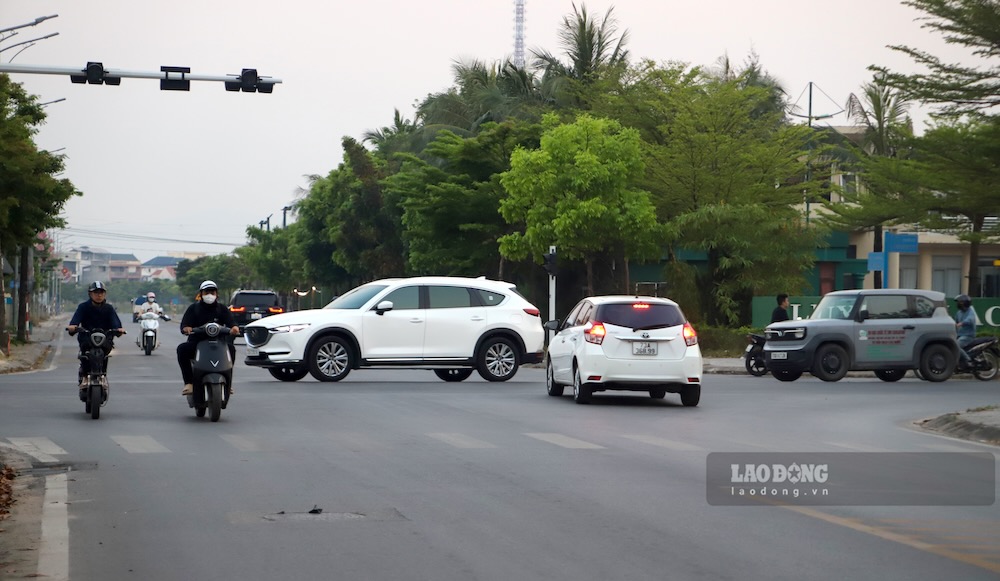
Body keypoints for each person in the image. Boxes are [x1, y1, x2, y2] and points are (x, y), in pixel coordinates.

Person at [177, 280, 239, 396]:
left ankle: (228, 384)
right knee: (182, 349)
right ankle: (189, 383)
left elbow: (232, 323)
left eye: (212, 292)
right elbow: (184, 325)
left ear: (216, 294)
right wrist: (187, 328)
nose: (209, 295)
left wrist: (234, 328)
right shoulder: (193, 308)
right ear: (201, 294)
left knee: (231, 349)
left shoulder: (222, 309)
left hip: (219, 343)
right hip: (197, 342)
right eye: (206, 292)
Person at [67, 281, 126, 389]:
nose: (99, 295)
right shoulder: (83, 307)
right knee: (85, 352)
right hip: (87, 337)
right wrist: (73, 326)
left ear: (105, 294)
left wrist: (119, 329)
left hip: (105, 337)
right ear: (90, 294)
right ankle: (85, 376)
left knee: (105, 354)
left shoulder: (109, 308)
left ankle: (103, 375)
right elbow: (75, 321)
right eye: (96, 292)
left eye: (101, 293)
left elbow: (115, 322)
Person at [954, 294, 977, 369]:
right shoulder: (959, 312)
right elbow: (955, 322)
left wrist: (962, 323)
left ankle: (968, 360)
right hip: (960, 335)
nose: (958, 304)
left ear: (965, 303)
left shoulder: (970, 311)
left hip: (968, 335)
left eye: (960, 302)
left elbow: (970, 319)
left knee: (956, 345)